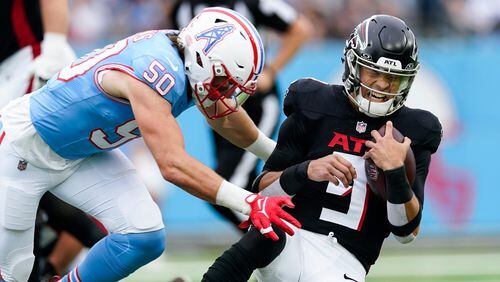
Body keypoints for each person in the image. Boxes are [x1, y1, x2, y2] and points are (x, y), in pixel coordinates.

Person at [0, 7, 300, 282]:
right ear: (202, 59)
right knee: (14, 273)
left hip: (83, 154)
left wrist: (276, 154)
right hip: (25, 151)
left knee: (143, 236)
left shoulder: (186, 57)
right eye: (223, 83)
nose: (225, 94)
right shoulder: (156, 69)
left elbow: (224, 117)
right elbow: (172, 165)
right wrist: (249, 202)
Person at [202, 14, 442, 282]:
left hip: (345, 262)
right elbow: (263, 191)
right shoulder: (313, 103)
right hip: (291, 239)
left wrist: (395, 171)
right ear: (353, 64)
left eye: (392, 78)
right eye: (374, 72)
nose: (382, 85)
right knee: (265, 229)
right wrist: (306, 171)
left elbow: (406, 232)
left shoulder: (415, 130)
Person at [164, 0, 312, 227]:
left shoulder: (251, 3)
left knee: (229, 182)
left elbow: (300, 28)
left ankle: (276, 245)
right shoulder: (183, 8)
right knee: (236, 183)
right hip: (215, 107)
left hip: (255, 104)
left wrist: (271, 71)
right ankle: (285, 233)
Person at [0, 0, 107, 281]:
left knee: (18, 162)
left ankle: (108, 236)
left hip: (24, 58)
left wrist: (55, 43)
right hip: (9, 64)